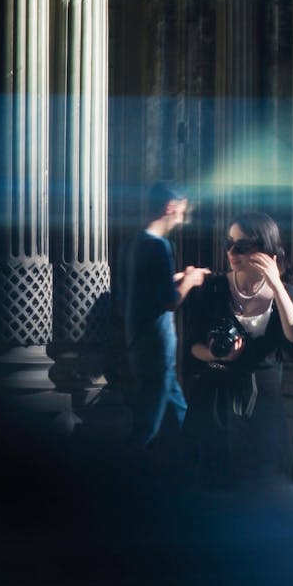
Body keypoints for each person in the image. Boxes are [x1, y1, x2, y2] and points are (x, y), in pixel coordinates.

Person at [182, 210, 293, 486]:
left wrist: (276, 285)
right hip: (214, 402)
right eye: (229, 243)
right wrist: (219, 355)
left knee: (264, 492)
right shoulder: (213, 288)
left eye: (242, 245)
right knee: (213, 493)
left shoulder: (287, 295)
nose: (232, 251)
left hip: (264, 408)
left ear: (265, 250)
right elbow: (191, 347)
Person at [119, 181, 209, 466]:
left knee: (178, 411)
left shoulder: (133, 244)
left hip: (138, 344)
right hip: (157, 349)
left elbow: (141, 290)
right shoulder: (160, 247)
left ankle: (196, 468)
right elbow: (169, 302)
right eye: (181, 212)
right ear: (170, 208)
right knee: (146, 428)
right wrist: (192, 281)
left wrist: (178, 277)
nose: (181, 219)